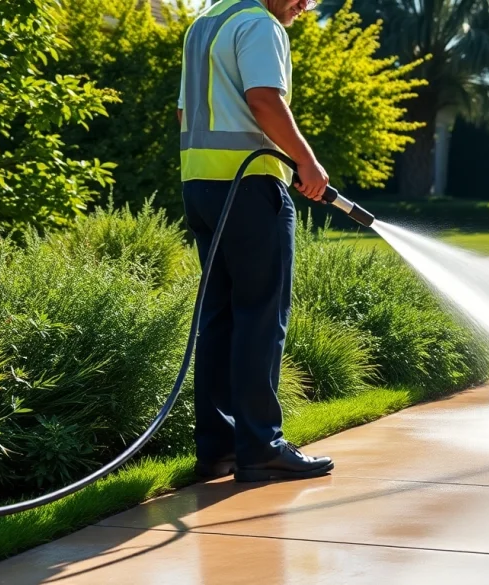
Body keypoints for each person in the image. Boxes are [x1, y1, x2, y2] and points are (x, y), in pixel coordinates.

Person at [177, 0, 333, 482]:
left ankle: (218, 449)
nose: (305, 4)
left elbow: (186, 111)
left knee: (220, 318)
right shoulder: (259, 24)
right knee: (260, 316)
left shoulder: (206, 22)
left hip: (201, 186)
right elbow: (264, 99)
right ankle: (262, 445)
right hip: (249, 187)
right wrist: (305, 162)